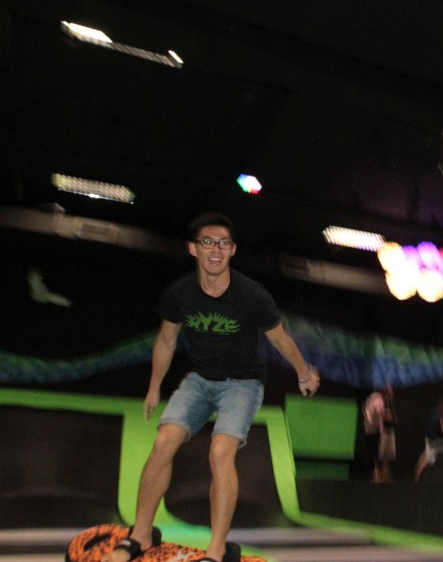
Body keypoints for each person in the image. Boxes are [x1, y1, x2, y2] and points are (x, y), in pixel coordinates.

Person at [103, 212, 319, 562]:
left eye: (222, 243)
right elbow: (166, 341)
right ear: (193, 248)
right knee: (163, 442)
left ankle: (216, 551)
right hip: (200, 380)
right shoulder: (180, 293)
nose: (215, 250)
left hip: (242, 383)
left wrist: (304, 372)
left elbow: (280, 340)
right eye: (207, 242)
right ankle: (141, 536)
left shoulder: (251, 295)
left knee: (220, 452)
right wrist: (153, 387)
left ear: (232, 250)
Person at [364, 384, 396, 482]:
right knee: (378, 454)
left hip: (378, 429)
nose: (391, 390)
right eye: (389, 388)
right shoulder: (378, 400)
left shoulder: (384, 400)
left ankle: (381, 476)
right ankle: (377, 477)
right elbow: (379, 415)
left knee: (383, 455)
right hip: (376, 431)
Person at [414, 396, 443, 482]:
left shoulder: (434, 412)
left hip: (431, 438)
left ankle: (419, 465)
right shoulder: (441, 415)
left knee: (428, 455)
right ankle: (417, 477)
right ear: (442, 406)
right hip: (434, 440)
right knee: (431, 460)